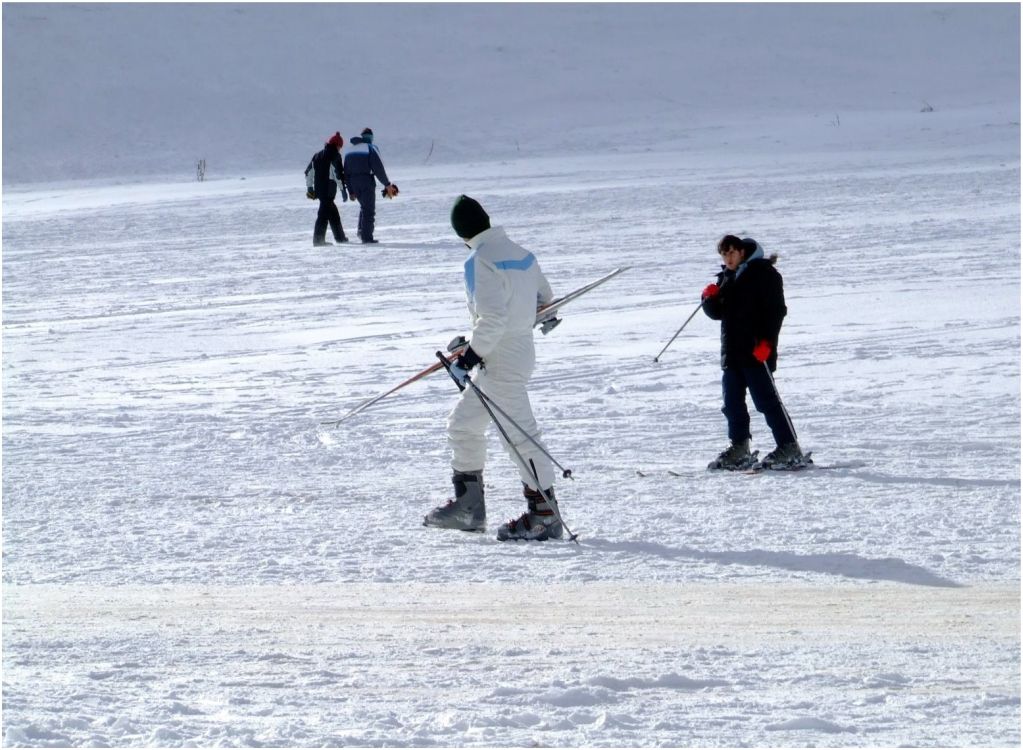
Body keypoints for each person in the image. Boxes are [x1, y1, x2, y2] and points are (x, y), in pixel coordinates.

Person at [423, 195, 562, 541]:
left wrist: (470, 355)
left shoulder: (479, 260)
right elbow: (545, 302)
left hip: (499, 359)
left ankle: (544, 515)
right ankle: (469, 509)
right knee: (464, 424)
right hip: (514, 353)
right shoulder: (522, 254)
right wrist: (471, 344)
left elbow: (493, 318)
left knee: (520, 436)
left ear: (461, 233)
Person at [701, 234, 806, 470]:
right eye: (723, 254)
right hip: (732, 352)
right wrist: (708, 299)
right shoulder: (726, 278)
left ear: (741, 252)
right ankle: (739, 448)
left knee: (766, 401)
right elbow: (718, 313)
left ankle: (789, 447)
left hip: (756, 352)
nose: (728, 258)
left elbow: (776, 311)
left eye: (731, 253)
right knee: (732, 403)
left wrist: (767, 343)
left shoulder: (763, 274)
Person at [343, 127, 398, 244]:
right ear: (371, 138)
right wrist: (387, 184)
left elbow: (346, 173)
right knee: (369, 209)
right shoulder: (370, 148)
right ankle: (366, 237)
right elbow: (378, 168)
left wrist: (351, 191)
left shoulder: (349, 151)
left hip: (353, 182)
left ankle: (361, 231)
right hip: (366, 181)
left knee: (364, 206)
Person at [304, 132, 349, 246]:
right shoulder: (335, 156)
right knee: (323, 216)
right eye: (340, 146)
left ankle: (340, 237)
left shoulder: (317, 155)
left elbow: (308, 172)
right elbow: (337, 174)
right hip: (328, 191)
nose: (340, 149)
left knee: (333, 214)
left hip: (319, 190)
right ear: (336, 145)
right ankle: (318, 241)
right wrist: (343, 190)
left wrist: (310, 188)